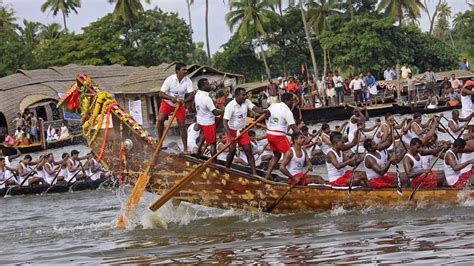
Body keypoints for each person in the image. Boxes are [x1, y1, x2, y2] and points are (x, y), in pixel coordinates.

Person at [223, 87, 268, 175]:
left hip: (242, 130)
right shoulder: (230, 106)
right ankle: (226, 170)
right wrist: (231, 136)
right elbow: (224, 122)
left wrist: (264, 111)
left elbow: (255, 108)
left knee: (248, 150)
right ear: (236, 96)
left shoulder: (246, 102)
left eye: (245, 95)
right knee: (232, 151)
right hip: (231, 131)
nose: (245, 97)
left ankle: (254, 174)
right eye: (243, 95)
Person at [264, 93, 304, 180]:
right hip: (278, 136)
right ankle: (292, 176)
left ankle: (267, 175)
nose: (292, 102)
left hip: (269, 134)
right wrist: (303, 136)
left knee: (277, 155)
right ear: (286, 101)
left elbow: (266, 116)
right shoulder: (287, 111)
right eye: (291, 100)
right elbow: (294, 128)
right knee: (290, 153)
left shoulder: (273, 105)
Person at [157, 62, 195, 152]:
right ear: (177, 71)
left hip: (179, 105)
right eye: (184, 70)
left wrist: (183, 101)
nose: (186, 71)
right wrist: (172, 98)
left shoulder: (188, 81)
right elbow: (161, 93)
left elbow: (191, 94)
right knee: (160, 120)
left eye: (186, 69)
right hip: (167, 103)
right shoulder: (169, 79)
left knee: (182, 125)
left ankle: (185, 148)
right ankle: (160, 143)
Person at [195, 78, 224, 157]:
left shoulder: (197, 94)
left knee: (203, 136)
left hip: (201, 120)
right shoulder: (206, 98)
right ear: (202, 86)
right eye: (207, 84)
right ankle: (214, 160)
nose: (210, 85)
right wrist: (224, 111)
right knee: (213, 143)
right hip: (208, 122)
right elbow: (215, 112)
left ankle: (198, 152)